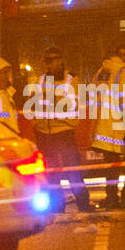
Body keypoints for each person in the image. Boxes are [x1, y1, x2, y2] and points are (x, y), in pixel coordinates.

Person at [30, 46, 92, 212]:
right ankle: (57, 206)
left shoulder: (72, 80)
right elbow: (33, 103)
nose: (51, 64)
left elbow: (76, 106)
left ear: (61, 60)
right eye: (48, 61)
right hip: (44, 132)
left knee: (73, 170)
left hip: (64, 132)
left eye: (54, 59)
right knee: (51, 173)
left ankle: (83, 203)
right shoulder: (40, 80)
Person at [90, 42, 125, 208]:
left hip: (105, 127)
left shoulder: (103, 72)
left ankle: (112, 199)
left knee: (111, 167)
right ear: (119, 56)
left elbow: (94, 96)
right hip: (121, 128)